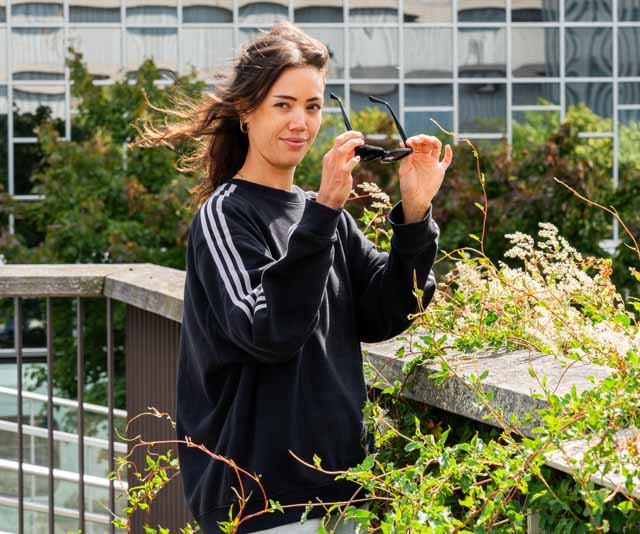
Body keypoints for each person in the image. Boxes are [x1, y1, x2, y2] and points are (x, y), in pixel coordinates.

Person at [134, 21, 452, 533]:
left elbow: (391, 308)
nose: (300, 122)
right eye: (283, 104)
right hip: (258, 504)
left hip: (343, 492)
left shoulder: (325, 218)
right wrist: (325, 208)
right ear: (246, 110)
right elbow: (268, 332)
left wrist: (415, 213)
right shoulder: (224, 216)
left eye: (312, 106)